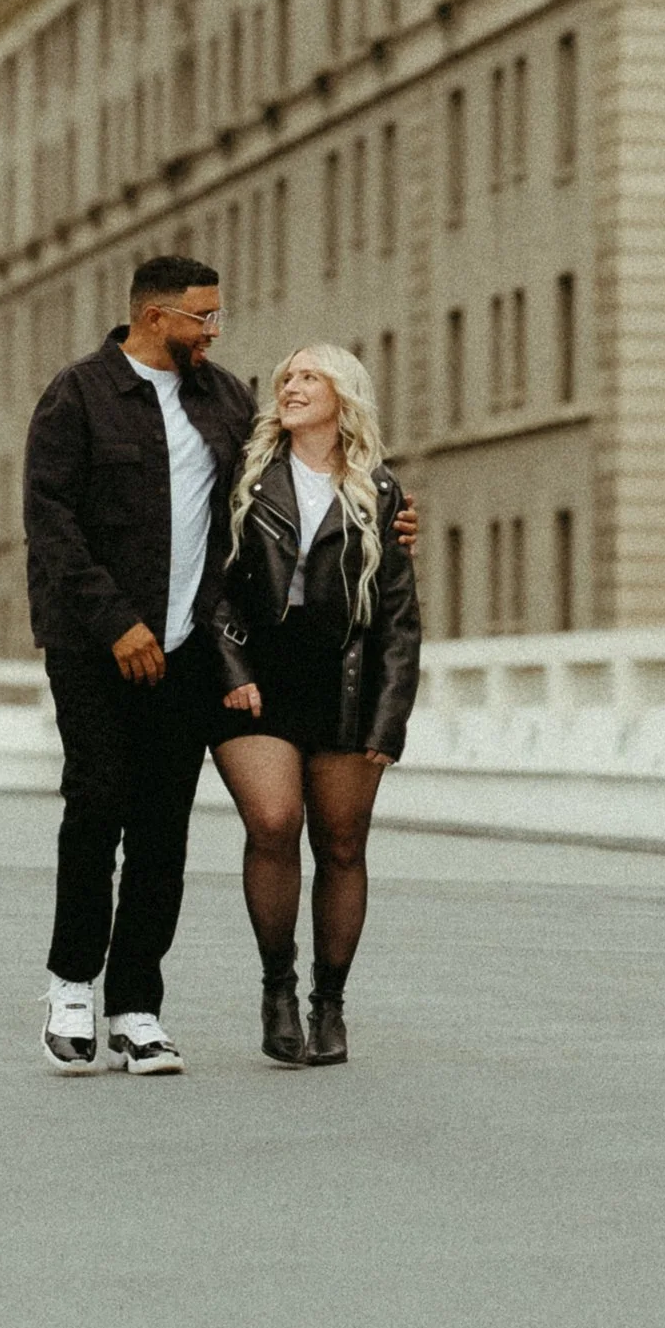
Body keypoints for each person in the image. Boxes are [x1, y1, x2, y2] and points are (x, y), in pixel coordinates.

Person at [24, 255, 250, 1076]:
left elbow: (279, 489)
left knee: (163, 827)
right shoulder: (78, 395)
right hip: (93, 647)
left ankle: (138, 1007)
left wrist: (388, 512)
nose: (214, 331)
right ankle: (72, 986)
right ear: (156, 316)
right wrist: (117, 621)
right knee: (98, 802)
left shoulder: (224, 398)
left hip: (188, 649)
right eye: (203, 317)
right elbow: (49, 523)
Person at [209, 343, 420, 1068]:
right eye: (286, 377)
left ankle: (328, 1005)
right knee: (273, 822)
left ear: (344, 395)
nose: (292, 387)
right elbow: (211, 586)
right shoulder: (245, 477)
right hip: (257, 677)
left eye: (309, 377)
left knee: (341, 844)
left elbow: (397, 618)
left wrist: (390, 719)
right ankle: (277, 989)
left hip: (348, 681)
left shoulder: (381, 492)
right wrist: (231, 664)